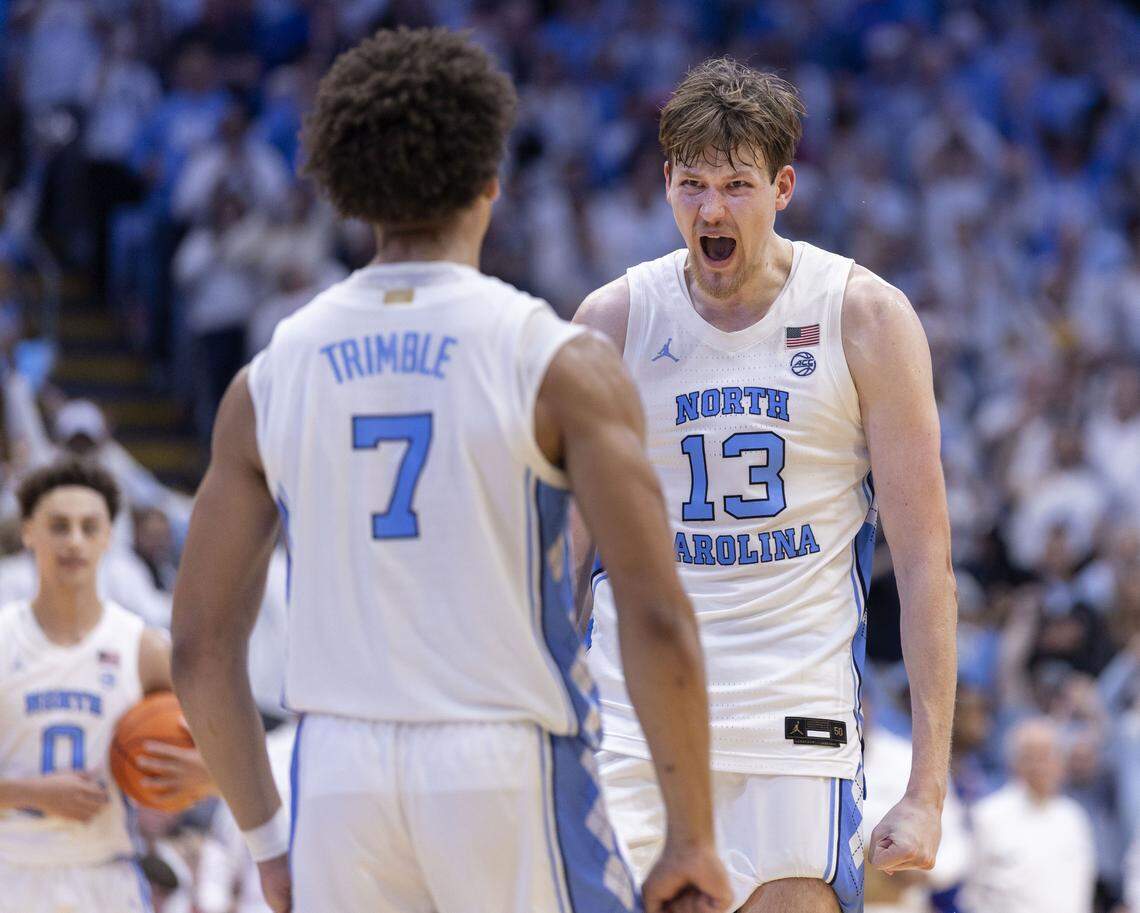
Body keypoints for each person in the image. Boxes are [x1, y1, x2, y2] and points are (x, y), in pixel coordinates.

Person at [171, 27, 730, 913]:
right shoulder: (559, 361)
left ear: (348, 194)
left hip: (339, 774)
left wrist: (270, 844)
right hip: (502, 758)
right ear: (490, 182)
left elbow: (200, 649)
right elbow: (657, 616)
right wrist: (692, 836)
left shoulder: (267, 376)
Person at [574, 58, 958, 913]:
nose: (712, 210)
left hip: (796, 718)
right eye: (693, 183)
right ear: (666, 181)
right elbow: (560, 560)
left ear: (783, 186)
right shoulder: (611, 321)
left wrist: (928, 788)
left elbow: (926, 561)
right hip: (633, 722)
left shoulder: (865, 317)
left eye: (737, 185)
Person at [0, 459, 212, 913]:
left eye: (88, 526)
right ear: (29, 533)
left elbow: (224, 747)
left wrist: (207, 775)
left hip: (105, 875)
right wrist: (30, 794)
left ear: (107, 538)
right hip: (9, 870)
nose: (74, 540)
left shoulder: (144, 648)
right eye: (59, 526)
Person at [959, 718, 1095, 913]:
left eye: (1049, 755)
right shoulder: (988, 815)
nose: (1042, 765)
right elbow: (970, 892)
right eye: (1032, 756)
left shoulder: (1074, 818)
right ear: (1014, 762)